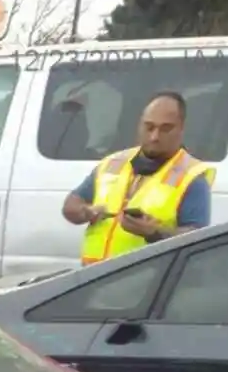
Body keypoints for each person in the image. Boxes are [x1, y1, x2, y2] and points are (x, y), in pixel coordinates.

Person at [62, 91, 214, 265]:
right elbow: (71, 204)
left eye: (165, 129)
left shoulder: (191, 176)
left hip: (144, 282)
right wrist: (85, 211)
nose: (154, 136)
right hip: (94, 279)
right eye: (149, 127)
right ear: (139, 125)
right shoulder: (113, 163)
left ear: (181, 129)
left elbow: (196, 238)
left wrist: (154, 232)